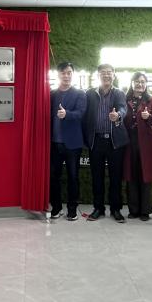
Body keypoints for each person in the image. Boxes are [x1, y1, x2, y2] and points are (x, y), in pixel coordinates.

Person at [83, 64, 128, 223]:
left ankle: (116, 209)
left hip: (114, 142)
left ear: (114, 75)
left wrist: (118, 115)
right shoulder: (89, 93)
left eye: (109, 73)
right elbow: (84, 115)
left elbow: (123, 108)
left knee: (115, 177)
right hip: (96, 141)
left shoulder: (119, 93)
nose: (106, 75)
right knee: (97, 177)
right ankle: (98, 208)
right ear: (98, 75)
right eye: (103, 73)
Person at [48, 61, 86, 221]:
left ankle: (72, 210)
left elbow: (81, 113)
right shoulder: (52, 94)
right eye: (63, 73)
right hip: (54, 143)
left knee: (73, 177)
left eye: (69, 72)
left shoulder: (80, 94)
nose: (66, 76)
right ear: (58, 75)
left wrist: (67, 114)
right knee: (53, 177)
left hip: (72, 144)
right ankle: (56, 208)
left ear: (73, 74)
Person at [123, 72, 152, 221]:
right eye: (137, 81)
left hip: (146, 142)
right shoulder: (125, 98)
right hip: (129, 141)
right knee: (131, 174)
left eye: (142, 82)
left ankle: (145, 210)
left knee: (146, 175)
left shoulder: (151, 99)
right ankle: (133, 210)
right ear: (132, 83)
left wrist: (149, 117)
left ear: (146, 84)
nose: (140, 84)